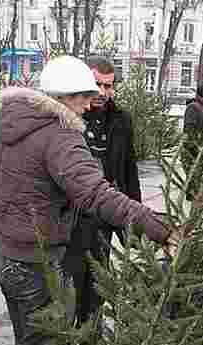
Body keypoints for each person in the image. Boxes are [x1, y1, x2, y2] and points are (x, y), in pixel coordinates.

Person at [0, 55, 178, 345]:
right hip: (33, 263)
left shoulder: (15, 122)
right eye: (85, 96)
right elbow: (97, 194)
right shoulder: (61, 134)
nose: (91, 103)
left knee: (27, 341)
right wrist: (158, 228)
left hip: (1, 253)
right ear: (64, 96)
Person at [62, 56, 140, 326]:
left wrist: (134, 223)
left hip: (103, 220)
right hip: (70, 224)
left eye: (109, 86)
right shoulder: (67, 118)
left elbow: (129, 171)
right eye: (97, 85)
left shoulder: (121, 120)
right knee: (68, 293)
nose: (104, 93)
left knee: (97, 291)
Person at [182, 83, 203, 201]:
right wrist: (193, 146)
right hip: (193, 147)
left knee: (198, 172)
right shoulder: (193, 107)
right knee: (192, 172)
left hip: (201, 146)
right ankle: (191, 196)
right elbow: (189, 128)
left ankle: (196, 194)